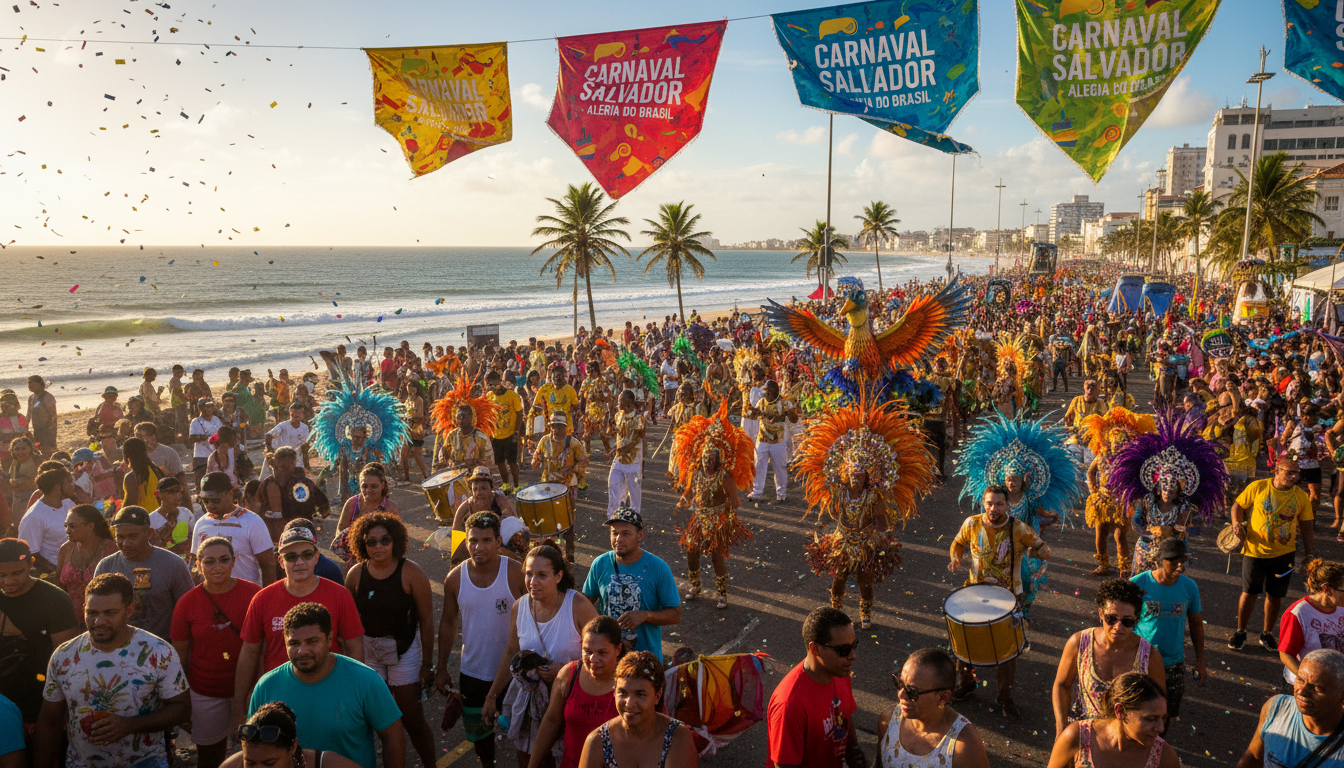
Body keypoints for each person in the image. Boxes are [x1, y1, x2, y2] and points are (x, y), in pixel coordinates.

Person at [35, 572, 190, 768]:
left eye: (110, 613)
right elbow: (50, 720)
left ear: (129, 610)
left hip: (144, 761)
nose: (99, 621)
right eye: (92, 613)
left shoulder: (158, 651)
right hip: (81, 763)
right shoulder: (64, 655)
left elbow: (182, 708)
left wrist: (130, 725)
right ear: (83, 609)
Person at [231, 527, 365, 735]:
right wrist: (239, 708)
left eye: (306, 555)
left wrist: (356, 695)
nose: (299, 562)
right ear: (281, 561)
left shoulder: (340, 595)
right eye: (291, 556)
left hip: (330, 691)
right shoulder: (262, 599)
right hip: (279, 698)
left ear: (316, 557)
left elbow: (355, 647)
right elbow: (249, 654)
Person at [482, 545, 598, 768]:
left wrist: (566, 670)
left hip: (571, 704)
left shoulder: (578, 606)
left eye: (542, 575)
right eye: (529, 574)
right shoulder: (519, 608)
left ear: (558, 576)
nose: (533, 581)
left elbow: (604, 654)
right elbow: (510, 652)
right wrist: (491, 696)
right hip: (530, 707)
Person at [953, 414, 1080, 617]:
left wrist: (1052, 516)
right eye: (1009, 480)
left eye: (1016, 480)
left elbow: (1042, 513)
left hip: (1024, 539)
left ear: (1022, 481)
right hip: (1001, 542)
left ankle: (1023, 612)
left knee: (1027, 580)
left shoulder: (1030, 499)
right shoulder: (998, 500)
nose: (1012, 483)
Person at [247, 603, 404, 768]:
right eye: (294, 643)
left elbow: (392, 736)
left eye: (312, 642)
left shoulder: (365, 680)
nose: (302, 651)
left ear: (329, 639)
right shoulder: (266, 686)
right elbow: (253, 746)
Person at [948, 485, 1051, 720]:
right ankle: (965, 684)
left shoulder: (1019, 528)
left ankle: (1004, 696)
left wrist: (1042, 553)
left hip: (1007, 600)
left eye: (999, 504)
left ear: (1008, 505)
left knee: (1006, 653)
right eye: (989, 503)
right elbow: (957, 543)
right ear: (983, 503)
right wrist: (955, 558)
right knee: (965, 644)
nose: (994, 508)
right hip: (974, 595)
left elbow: (1040, 547)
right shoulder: (971, 523)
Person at [343, 512, 437, 768]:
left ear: (395, 540)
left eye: (384, 540)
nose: (378, 547)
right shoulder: (355, 574)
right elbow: (348, 623)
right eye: (371, 542)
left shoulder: (411, 572)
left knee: (412, 719)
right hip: (368, 654)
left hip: (404, 653)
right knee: (370, 720)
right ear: (362, 544)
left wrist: (427, 664)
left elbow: (427, 620)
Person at [438, 511, 526, 768]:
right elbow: (448, 623)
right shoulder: (455, 578)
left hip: (515, 672)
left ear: (499, 541)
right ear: (465, 541)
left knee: (526, 737)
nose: (479, 547)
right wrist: (441, 668)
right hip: (474, 672)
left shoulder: (516, 573)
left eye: (486, 540)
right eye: (473, 540)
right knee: (481, 737)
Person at [169, 537, 261, 768]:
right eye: (209, 561)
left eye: (224, 560)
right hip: (205, 692)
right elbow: (179, 657)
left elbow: (265, 648)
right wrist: (182, 704)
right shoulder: (187, 603)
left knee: (258, 755)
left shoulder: (254, 594)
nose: (217, 567)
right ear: (198, 565)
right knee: (210, 758)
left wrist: (258, 686)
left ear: (233, 561)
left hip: (252, 690)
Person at [1052, 579, 1166, 735]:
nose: (1118, 627)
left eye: (1127, 621)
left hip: (1128, 743)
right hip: (1083, 736)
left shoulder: (1150, 656)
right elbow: (1062, 685)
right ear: (1100, 613)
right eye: (1111, 618)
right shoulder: (1079, 643)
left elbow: (1159, 705)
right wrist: (1061, 730)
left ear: (1136, 619)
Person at [1230, 456, 1317, 652]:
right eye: (1289, 472)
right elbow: (1238, 505)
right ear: (1276, 471)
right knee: (1249, 592)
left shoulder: (1301, 497)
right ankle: (1240, 631)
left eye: (1296, 474)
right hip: (1255, 552)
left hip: (1284, 554)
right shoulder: (1258, 487)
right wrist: (1236, 522)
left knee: (1275, 596)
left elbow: (1306, 526)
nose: (1294, 477)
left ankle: (1267, 633)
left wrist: (1310, 553)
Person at [672, 401, 753, 610]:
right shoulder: (696, 473)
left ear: (719, 459)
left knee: (716, 556)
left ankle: (722, 593)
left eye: (712, 458)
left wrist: (729, 522)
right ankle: (695, 586)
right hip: (700, 517)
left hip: (718, 520)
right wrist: (681, 503)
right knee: (691, 551)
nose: (708, 461)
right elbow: (689, 494)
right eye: (705, 457)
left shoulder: (724, 476)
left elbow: (735, 502)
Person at [766, 606, 863, 768]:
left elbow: (845, 715)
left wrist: (853, 750)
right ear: (815, 649)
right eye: (843, 650)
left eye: (854, 645)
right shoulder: (789, 705)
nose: (853, 655)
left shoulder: (839, 672)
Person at [582, 505, 681, 663]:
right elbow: (583, 604)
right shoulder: (600, 564)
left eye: (626, 534)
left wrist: (646, 615)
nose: (618, 539)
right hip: (607, 661)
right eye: (614, 533)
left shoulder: (658, 568)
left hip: (645, 661)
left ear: (640, 535)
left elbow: (676, 614)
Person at [0, 539, 79, 732]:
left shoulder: (55, 600)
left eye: (16, 573)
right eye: (1, 575)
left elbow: (65, 660)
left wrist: (55, 710)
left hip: (41, 704)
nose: (8, 581)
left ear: (31, 564)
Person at [576, 649, 697, 768]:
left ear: (657, 696)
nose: (629, 703)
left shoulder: (677, 737)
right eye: (622, 693)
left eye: (640, 694)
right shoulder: (597, 742)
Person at [529, 615, 624, 768]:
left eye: (602, 652)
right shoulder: (568, 675)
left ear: (618, 649)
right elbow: (551, 721)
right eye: (588, 651)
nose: (593, 659)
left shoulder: (629, 683)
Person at [92, 505, 195, 641]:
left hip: (162, 648)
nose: (126, 543)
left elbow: (190, 612)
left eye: (133, 536)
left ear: (149, 532)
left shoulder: (173, 565)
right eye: (120, 537)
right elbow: (96, 612)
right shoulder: (106, 566)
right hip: (118, 648)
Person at [1131, 539, 1206, 720]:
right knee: (1135, 709)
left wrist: (1200, 661)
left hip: (1173, 662)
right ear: (1158, 561)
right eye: (1173, 561)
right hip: (1139, 659)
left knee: (1165, 713)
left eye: (1182, 560)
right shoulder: (1137, 584)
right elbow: (1121, 622)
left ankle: (1156, 747)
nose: (1179, 566)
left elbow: (1196, 625)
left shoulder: (1189, 587)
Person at [877, 648, 990, 768]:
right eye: (899, 684)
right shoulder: (888, 721)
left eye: (913, 692)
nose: (901, 694)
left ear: (943, 697)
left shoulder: (964, 746)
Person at [1044, 672, 1177, 768]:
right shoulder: (1077, 737)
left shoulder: (1164, 757)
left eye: (1163, 718)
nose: (1161, 728)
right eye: (1151, 718)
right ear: (1120, 711)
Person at [190, 472, 278, 587]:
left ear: (230, 493)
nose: (209, 504)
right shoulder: (201, 523)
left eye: (215, 500)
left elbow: (268, 565)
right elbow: (194, 564)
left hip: (246, 595)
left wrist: (267, 598)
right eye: (205, 500)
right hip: (212, 596)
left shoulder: (251, 521)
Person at [221, 701, 361, 768]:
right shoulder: (232, 766)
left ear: (293, 747)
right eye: (250, 763)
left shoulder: (330, 765)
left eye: (269, 763)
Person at [531, 413, 588, 562]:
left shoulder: (573, 442)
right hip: (547, 487)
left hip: (568, 487)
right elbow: (535, 462)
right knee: (548, 522)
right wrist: (536, 459)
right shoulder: (544, 441)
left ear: (565, 427)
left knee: (567, 522)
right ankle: (551, 554)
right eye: (553, 427)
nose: (555, 430)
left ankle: (569, 554)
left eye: (559, 427)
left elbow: (583, 460)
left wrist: (573, 469)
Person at [1280, 558, 1344, 685]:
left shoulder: (1341, 606)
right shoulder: (1299, 614)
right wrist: (1308, 680)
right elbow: (1286, 654)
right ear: (1327, 589)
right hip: (1309, 684)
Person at [54, 504, 117, 622]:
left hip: (101, 619)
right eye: (66, 526)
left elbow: (118, 588)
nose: (67, 531)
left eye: (73, 526)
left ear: (90, 526)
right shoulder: (66, 549)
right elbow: (58, 584)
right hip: (70, 618)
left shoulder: (109, 549)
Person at [331, 462, 400, 567]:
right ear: (360, 485)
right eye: (365, 486)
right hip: (355, 559)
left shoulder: (390, 508)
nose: (368, 490)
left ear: (383, 485)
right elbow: (340, 529)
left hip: (381, 558)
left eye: (374, 486)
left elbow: (397, 537)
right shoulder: (352, 503)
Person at [257, 446, 329, 542]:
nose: (288, 466)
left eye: (291, 463)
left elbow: (323, 505)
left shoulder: (303, 482)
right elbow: (324, 506)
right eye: (286, 463)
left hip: (288, 533)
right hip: (293, 533)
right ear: (277, 463)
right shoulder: (268, 484)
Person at [746, 380, 798, 503]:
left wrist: (788, 413)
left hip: (778, 440)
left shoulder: (784, 402)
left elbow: (794, 419)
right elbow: (753, 415)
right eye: (766, 389)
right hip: (762, 439)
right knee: (759, 465)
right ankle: (757, 492)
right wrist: (752, 411)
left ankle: (781, 494)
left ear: (777, 391)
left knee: (779, 467)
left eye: (770, 389)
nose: (767, 391)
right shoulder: (761, 402)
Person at [18, 466, 76, 574]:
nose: (73, 486)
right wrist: (57, 573)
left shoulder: (68, 504)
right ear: (58, 488)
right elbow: (30, 555)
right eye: (69, 482)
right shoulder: (34, 517)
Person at [607, 391, 647, 517]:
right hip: (619, 458)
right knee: (613, 483)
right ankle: (614, 515)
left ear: (629, 402)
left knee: (634, 491)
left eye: (620, 400)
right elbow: (618, 435)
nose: (618, 403)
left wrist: (620, 449)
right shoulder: (618, 415)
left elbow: (636, 440)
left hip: (633, 460)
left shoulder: (639, 419)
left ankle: (635, 516)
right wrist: (612, 436)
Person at [486, 371, 525, 495]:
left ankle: (517, 485)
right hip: (496, 436)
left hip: (510, 435)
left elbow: (519, 413)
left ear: (500, 382)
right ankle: (506, 484)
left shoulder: (512, 395)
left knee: (512, 462)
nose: (491, 387)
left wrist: (516, 432)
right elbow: (487, 415)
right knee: (500, 462)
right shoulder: (489, 396)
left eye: (493, 384)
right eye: (488, 384)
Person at [147, 477, 195, 556]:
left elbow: (194, 537)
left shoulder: (186, 513)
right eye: (172, 492)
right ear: (159, 494)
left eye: (179, 491)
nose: (178, 495)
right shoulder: (151, 519)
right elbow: (150, 547)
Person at [263, 402, 311, 478]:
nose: (297, 415)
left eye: (300, 412)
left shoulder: (304, 428)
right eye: (295, 412)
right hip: (281, 459)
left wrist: (307, 465)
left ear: (303, 414)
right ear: (290, 412)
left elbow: (304, 447)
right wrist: (270, 452)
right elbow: (268, 436)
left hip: (295, 460)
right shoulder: (283, 426)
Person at [135, 422, 186, 491]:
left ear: (153, 436)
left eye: (142, 436)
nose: (139, 440)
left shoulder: (168, 453)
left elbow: (180, 477)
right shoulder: (135, 454)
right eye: (137, 437)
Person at [120, 437, 166, 510]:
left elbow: (130, 505)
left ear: (126, 455)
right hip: (158, 517)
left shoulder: (131, 477)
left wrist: (118, 518)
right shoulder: (155, 470)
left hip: (142, 518)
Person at [188, 398, 224, 483]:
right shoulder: (196, 422)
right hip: (201, 456)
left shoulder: (216, 420)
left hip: (215, 454)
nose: (210, 409)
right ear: (200, 409)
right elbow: (192, 437)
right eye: (207, 407)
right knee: (201, 482)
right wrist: (208, 438)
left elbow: (222, 434)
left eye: (211, 406)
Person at [24, 377, 55, 457]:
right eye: (29, 384)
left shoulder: (48, 397)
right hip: (36, 428)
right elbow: (28, 414)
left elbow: (53, 416)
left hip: (47, 429)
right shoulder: (31, 398)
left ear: (41, 385)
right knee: (38, 449)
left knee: (48, 451)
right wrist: (25, 427)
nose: (30, 386)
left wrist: (53, 433)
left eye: (33, 384)